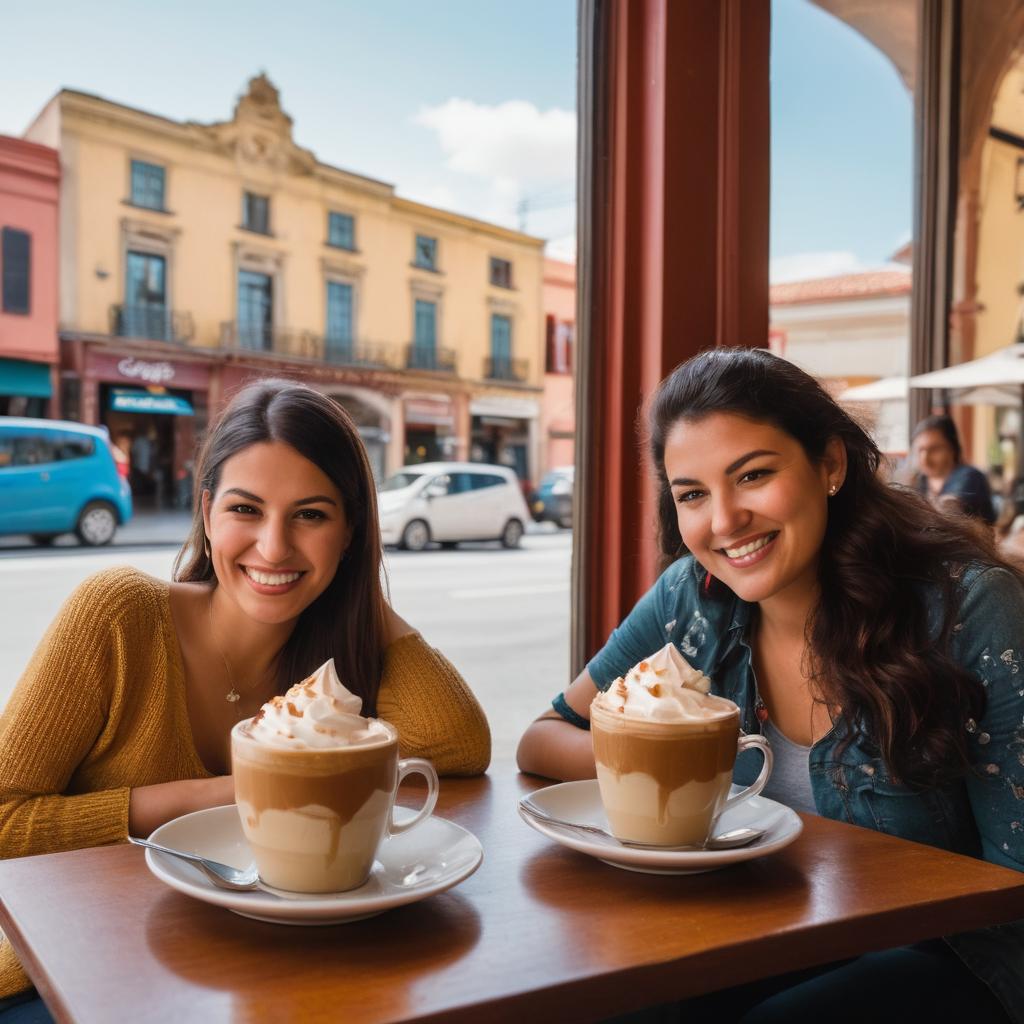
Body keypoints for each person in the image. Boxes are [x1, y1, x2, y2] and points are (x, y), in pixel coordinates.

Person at [517, 348, 1023, 1023]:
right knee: (608, 1002)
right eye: (691, 494)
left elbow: (1012, 887)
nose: (723, 521)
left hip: (960, 954)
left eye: (752, 475)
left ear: (831, 465)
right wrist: (676, 760)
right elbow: (543, 739)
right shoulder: (689, 601)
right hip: (768, 929)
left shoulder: (968, 608)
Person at [0, 379, 491, 1021]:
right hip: (61, 981)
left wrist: (359, 591)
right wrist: (217, 795)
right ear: (207, 514)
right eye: (245, 510)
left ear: (350, 531)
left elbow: (459, 744)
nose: (274, 547)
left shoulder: (336, 668)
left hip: (263, 975)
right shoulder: (118, 615)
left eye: (311, 515)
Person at [912, 413, 996, 524]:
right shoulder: (920, 481)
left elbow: (949, 511)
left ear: (952, 449)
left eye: (934, 449)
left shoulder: (970, 476)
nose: (924, 458)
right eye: (920, 450)